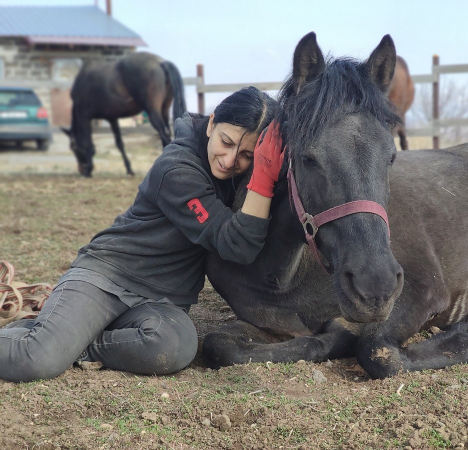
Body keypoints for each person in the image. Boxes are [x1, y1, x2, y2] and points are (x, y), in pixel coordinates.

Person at [0, 87, 283, 383]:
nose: (229, 160)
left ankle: (70, 341)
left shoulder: (235, 172)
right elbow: (236, 244)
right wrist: (263, 173)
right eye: (226, 142)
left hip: (161, 302)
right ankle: (55, 341)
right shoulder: (177, 169)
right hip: (107, 277)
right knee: (38, 358)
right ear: (212, 124)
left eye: (248, 155)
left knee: (175, 347)